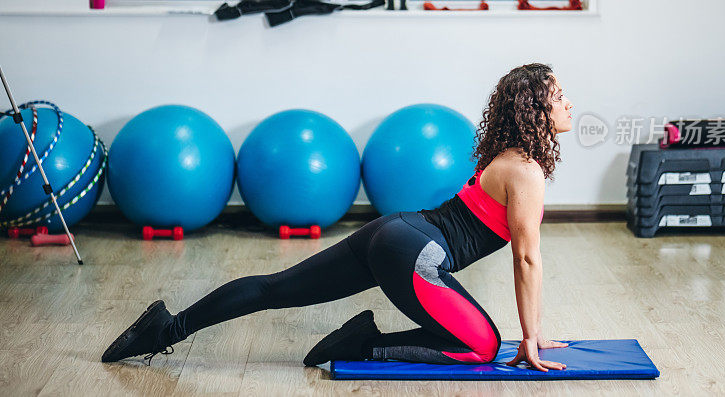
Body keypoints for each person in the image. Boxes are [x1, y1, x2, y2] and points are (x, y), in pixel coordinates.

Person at [102, 63, 574, 372]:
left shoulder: (505, 157)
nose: (568, 102)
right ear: (536, 109)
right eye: (558, 96)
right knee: (484, 348)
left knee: (275, 288)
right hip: (416, 253)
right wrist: (530, 339)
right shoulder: (525, 171)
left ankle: (164, 329)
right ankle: (361, 344)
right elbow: (527, 259)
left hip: (393, 232)